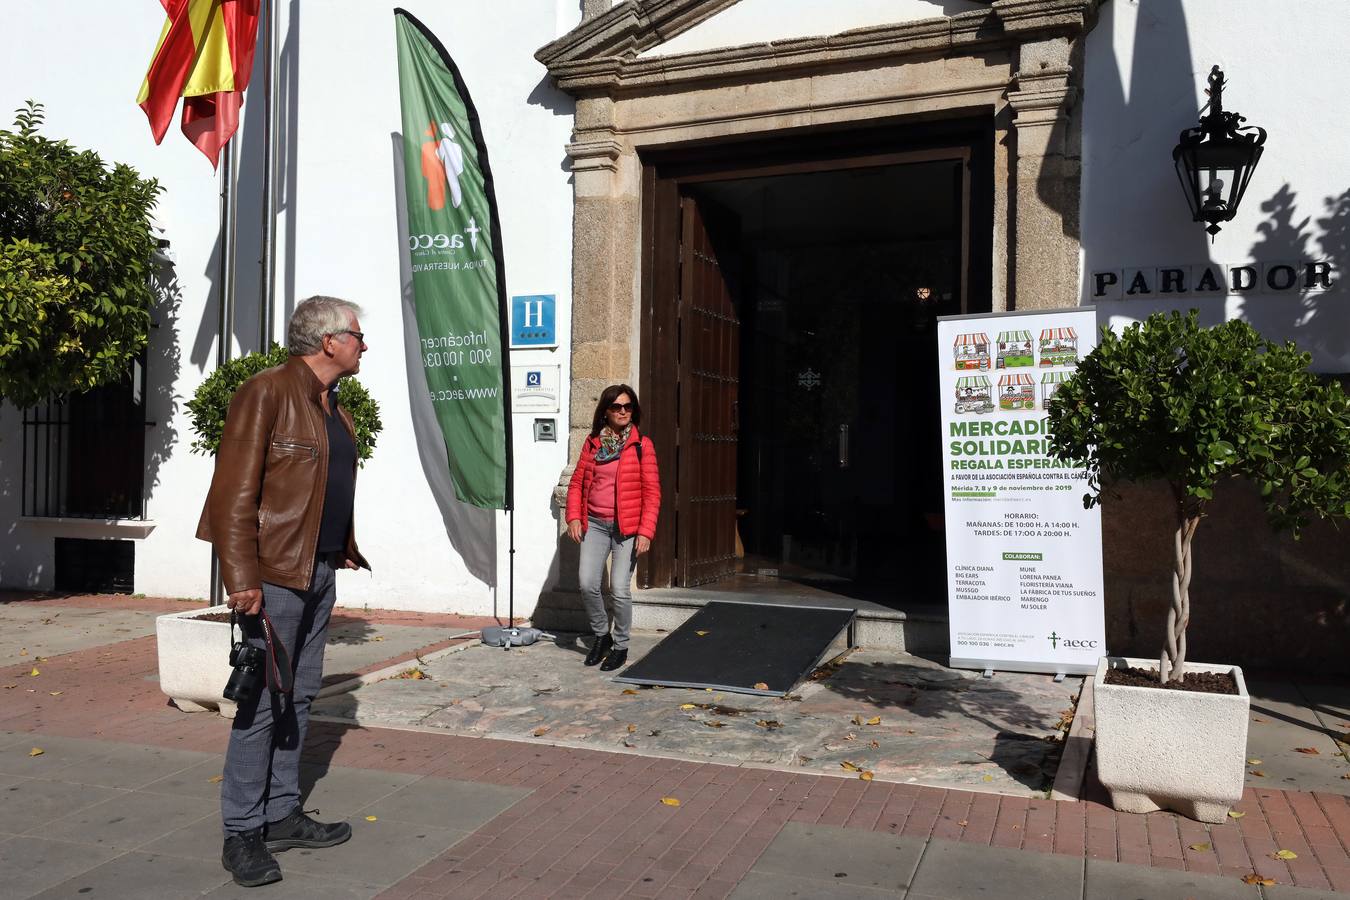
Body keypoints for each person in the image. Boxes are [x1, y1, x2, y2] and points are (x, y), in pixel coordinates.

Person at [197, 295, 371, 888]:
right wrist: (240, 578)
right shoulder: (267, 391)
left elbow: (323, 484)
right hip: (272, 574)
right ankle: (241, 831)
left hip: (317, 571)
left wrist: (336, 549)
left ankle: (280, 812)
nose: (362, 344)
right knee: (261, 702)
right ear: (328, 342)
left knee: (299, 697)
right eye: (356, 335)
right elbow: (233, 494)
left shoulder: (331, 403)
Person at [565, 384, 661, 672]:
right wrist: (573, 517)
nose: (623, 411)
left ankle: (620, 646)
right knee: (587, 584)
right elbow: (577, 483)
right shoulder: (592, 442)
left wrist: (646, 531)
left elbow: (653, 492)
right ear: (605, 411)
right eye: (617, 407)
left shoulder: (642, 445)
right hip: (594, 523)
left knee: (619, 589)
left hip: (627, 528)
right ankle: (601, 636)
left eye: (628, 406)